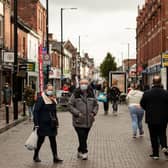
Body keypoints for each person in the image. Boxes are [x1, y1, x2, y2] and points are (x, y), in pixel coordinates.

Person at [68, 78, 98, 160]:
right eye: (82, 83)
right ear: (79, 84)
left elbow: (96, 105)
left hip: (89, 121)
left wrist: (93, 113)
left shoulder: (91, 94)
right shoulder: (75, 94)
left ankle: (79, 150)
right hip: (78, 121)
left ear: (88, 85)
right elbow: (70, 105)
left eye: (85, 83)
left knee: (84, 137)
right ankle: (84, 152)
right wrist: (77, 113)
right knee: (82, 136)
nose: (84, 85)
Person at [33, 84, 63, 163]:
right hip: (42, 123)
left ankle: (55, 157)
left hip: (52, 124)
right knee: (40, 140)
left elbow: (54, 112)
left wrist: (57, 122)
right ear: (45, 90)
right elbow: (36, 111)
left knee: (53, 140)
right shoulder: (41, 99)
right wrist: (36, 123)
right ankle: (36, 155)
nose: (50, 91)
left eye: (51, 89)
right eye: (49, 89)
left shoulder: (53, 98)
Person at [140, 75, 168, 160]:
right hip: (163, 117)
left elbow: (142, 104)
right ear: (160, 82)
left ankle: (155, 154)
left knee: (153, 136)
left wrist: (148, 109)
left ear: (153, 82)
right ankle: (164, 145)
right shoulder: (166, 93)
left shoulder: (147, 93)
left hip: (151, 118)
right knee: (162, 133)